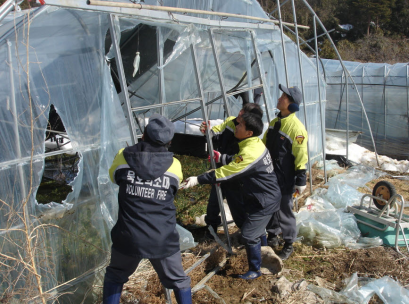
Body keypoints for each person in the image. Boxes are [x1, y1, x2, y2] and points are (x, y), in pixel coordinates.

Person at [103, 114, 192, 304]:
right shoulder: (174, 165)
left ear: (143, 135)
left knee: (115, 275)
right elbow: (173, 190)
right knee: (179, 280)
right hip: (162, 238)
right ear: (169, 142)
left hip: (129, 235)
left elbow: (114, 177)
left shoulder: (123, 156)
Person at [184, 113, 282, 280]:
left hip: (264, 200)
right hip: (261, 196)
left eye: (240, 125)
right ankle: (264, 253)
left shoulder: (251, 151)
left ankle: (255, 270)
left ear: (249, 132)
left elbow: (225, 173)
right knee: (255, 231)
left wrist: (197, 179)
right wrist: (221, 157)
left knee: (249, 235)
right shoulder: (254, 143)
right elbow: (237, 160)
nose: (236, 126)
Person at [199, 103, 263, 238]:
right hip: (221, 168)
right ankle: (211, 229)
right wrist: (207, 131)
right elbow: (216, 133)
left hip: (235, 174)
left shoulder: (249, 137)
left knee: (237, 205)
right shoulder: (230, 121)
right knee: (214, 200)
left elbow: (240, 159)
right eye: (241, 110)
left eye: (243, 113)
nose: (239, 114)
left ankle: (249, 234)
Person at [262, 84, 308, 260]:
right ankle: (272, 236)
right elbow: (264, 145)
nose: (280, 98)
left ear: (291, 104)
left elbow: (301, 155)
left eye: (284, 97)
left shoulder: (296, 128)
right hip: (270, 175)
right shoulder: (275, 123)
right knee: (270, 206)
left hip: (285, 177)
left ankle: (289, 242)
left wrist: (301, 179)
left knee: (284, 210)